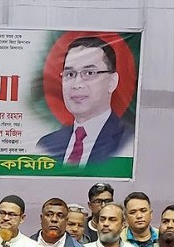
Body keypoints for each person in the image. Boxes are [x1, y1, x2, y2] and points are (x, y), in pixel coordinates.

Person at [36, 36, 133, 165]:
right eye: (70, 74)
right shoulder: (46, 145)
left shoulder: (129, 141)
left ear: (112, 82)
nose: (77, 84)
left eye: (89, 73)